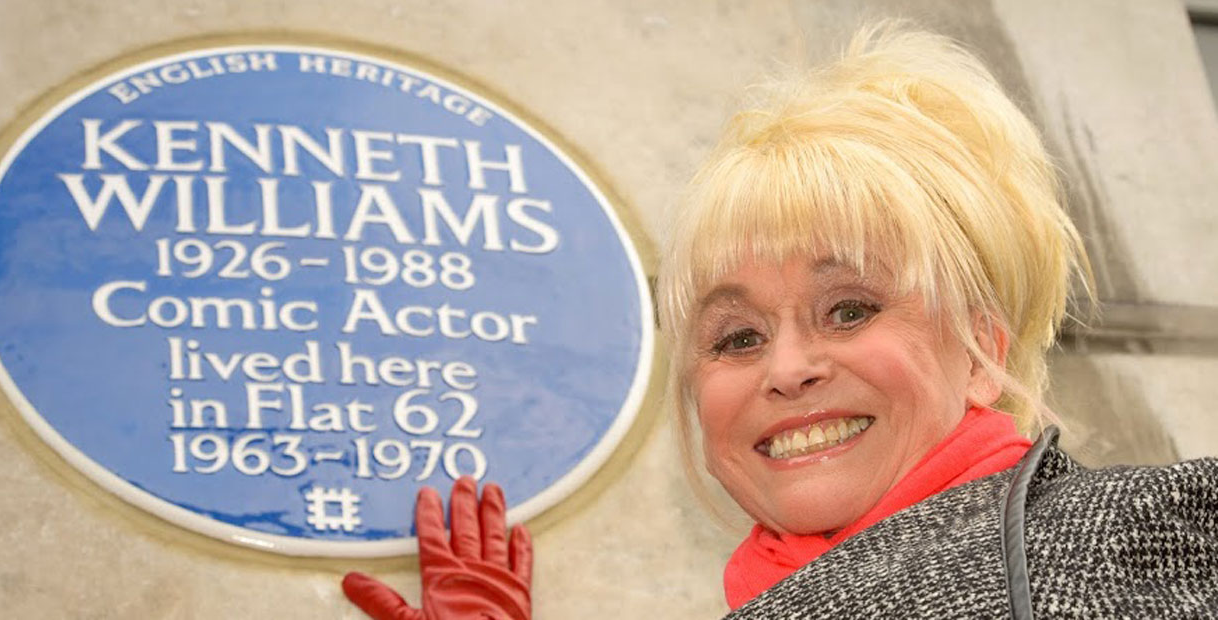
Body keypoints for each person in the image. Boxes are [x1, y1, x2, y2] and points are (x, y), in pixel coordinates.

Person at [342, 23, 1218, 619]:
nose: (788, 368)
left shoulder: (1156, 535)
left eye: (850, 308)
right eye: (738, 337)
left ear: (982, 352)